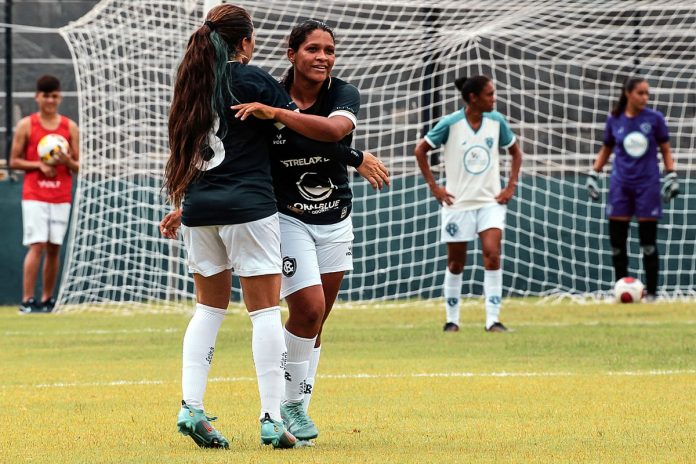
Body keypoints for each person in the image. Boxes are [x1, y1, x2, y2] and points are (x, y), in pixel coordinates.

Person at [164, 5, 385, 450]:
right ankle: (271, 417)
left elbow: (190, 149)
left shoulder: (191, 82)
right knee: (265, 313)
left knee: (207, 311)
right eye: (253, 37)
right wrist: (355, 156)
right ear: (244, 42)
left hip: (201, 208)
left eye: (329, 50)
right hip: (253, 208)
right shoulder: (255, 81)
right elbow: (307, 135)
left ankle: (191, 405)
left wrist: (183, 203)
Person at [413, 75, 522, 333]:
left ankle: (493, 321)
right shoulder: (451, 123)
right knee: (456, 263)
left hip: (490, 202)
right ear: (473, 98)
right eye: (490, 94)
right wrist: (435, 187)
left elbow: (516, 152)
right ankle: (452, 321)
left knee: (492, 254)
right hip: (457, 203)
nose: (494, 98)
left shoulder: (497, 122)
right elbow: (420, 150)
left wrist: (510, 187)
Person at [586, 77, 677, 301]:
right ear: (628, 94)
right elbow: (606, 149)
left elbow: (665, 149)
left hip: (647, 185)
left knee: (648, 243)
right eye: (640, 93)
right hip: (621, 185)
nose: (645, 98)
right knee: (617, 244)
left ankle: (653, 293)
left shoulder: (654, 119)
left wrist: (671, 174)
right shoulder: (615, 119)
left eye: (647, 93)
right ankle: (620, 290)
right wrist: (593, 174)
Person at [9, 75, 79, 314]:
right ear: (37, 97)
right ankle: (28, 300)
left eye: (55, 96)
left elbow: (79, 166)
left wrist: (66, 159)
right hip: (35, 194)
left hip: (61, 194)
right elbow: (14, 161)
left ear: (59, 98)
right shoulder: (27, 125)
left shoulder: (69, 127)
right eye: (46, 95)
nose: (50, 100)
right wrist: (39, 165)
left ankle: (48, 300)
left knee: (54, 247)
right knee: (36, 245)